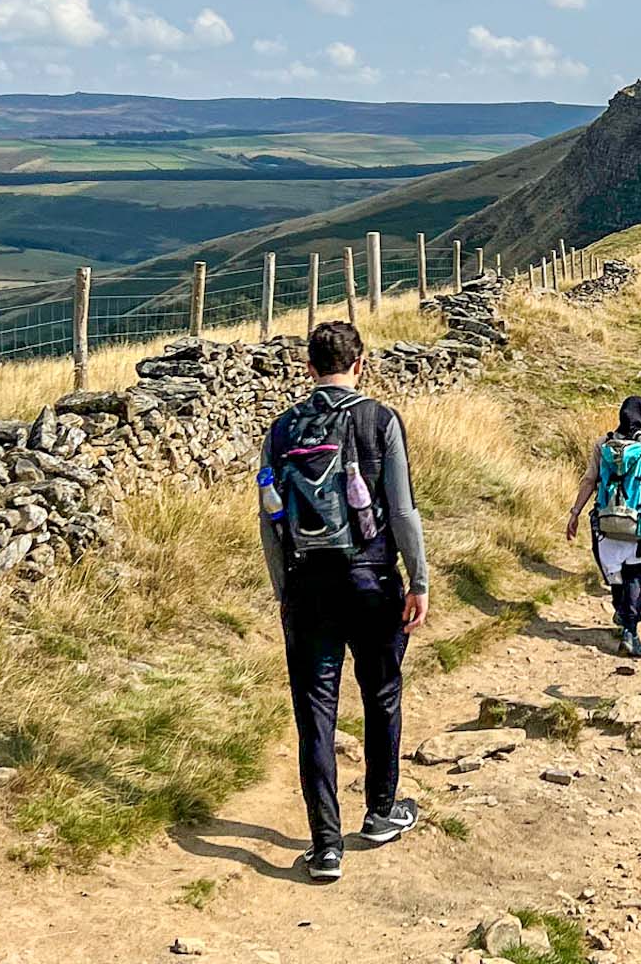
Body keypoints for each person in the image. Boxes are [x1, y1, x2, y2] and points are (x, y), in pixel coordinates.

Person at [259, 320, 430, 878]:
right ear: (360, 365)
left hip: (309, 585)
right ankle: (381, 812)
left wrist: (285, 591)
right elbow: (402, 511)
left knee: (315, 713)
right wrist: (419, 580)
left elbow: (270, 523)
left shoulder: (282, 431)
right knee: (381, 693)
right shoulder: (380, 420)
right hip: (372, 580)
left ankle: (325, 845)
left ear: (309, 369)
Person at [567, 397, 641, 657]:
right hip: (640, 524)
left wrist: (574, 513)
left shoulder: (602, 444)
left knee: (617, 572)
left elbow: (588, 481)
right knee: (635, 576)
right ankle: (630, 631)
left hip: (607, 524)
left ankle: (621, 611)